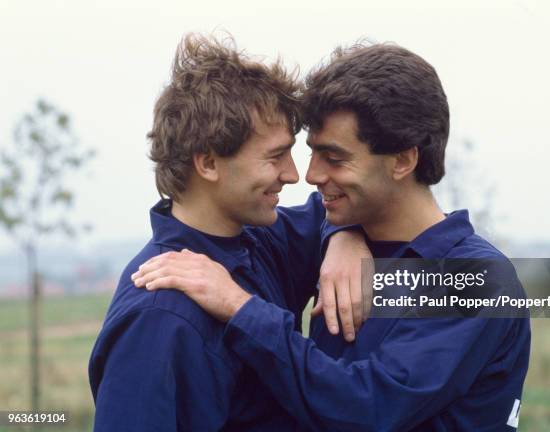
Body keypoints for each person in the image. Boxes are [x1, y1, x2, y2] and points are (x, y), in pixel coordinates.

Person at [134, 42, 531, 431]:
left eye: (335, 159)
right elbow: (199, 233)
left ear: (403, 160)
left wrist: (240, 307)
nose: (310, 175)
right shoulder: (326, 225)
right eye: (313, 153)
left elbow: (366, 408)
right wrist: (342, 233)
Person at [88, 34, 369, 432]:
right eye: (275, 157)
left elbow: (353, 208)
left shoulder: (263, 240)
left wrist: (346, 235)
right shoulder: (159, 320)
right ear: (208, 163)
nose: (293, 175)